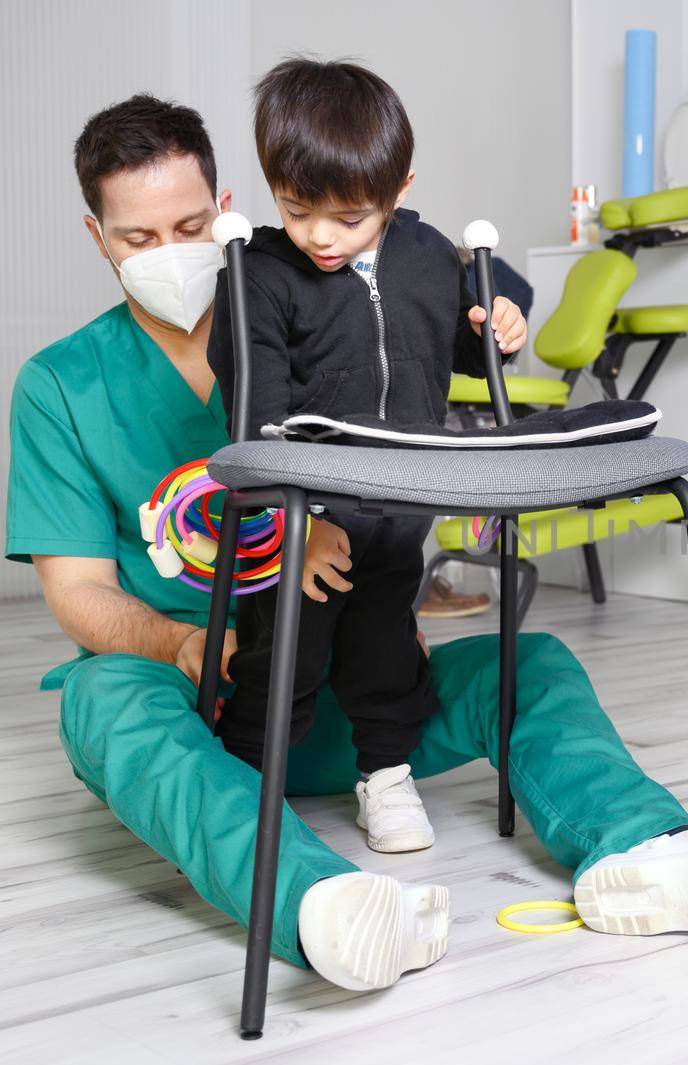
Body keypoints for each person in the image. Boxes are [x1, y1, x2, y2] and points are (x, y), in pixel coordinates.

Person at [5, 92, 688, 994]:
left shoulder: (332, 303)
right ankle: (325, 906)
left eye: (192, 225)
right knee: (102, 701)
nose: (170, 255)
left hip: (343, 704)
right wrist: (189, 645)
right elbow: (76, 592)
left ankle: (650, 853)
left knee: (534, 661)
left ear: (231, 205)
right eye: (137, 239)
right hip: (199, 698)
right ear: (97, 238)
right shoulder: (61, 384)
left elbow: (439, 341)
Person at [207, 59, 521, 858]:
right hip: (302, 519)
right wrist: (295, 526)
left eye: (348, 217)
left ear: (399, 189)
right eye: (296, 207)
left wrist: (501, 324)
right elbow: (258, 414)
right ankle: (244, 786)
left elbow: (468, 327)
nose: (319, 234)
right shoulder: (262, 275)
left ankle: (386, 776)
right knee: (283, 659)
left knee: (387, 652)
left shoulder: (425, 257)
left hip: (397, 508)